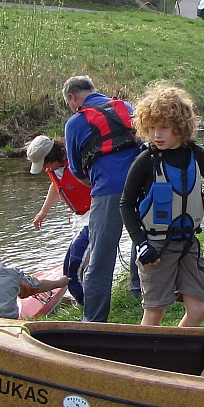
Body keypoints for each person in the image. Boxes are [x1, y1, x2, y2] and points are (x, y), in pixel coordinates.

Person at [120, 83, 204, 327]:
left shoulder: (195, 153)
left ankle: (176, 350)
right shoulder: (145, 161)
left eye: (164, 128)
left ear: (180, 128)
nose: (157, 134)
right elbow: (126, 204)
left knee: (199, 309)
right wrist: (141, 244)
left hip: (189, 243)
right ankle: (144, 360)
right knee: (155, 313)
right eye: (152, 128)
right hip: (155, 248)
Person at [62, 75, 141, 323]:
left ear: (72, 98)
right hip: (143, 183)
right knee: (141, 239)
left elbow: (75, 170)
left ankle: (94, 320)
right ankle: (139, 291)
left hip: (108, 189)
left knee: (99, 259)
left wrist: (93, 182)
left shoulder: (75, 123)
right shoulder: (125, 107)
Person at [26, 135, 91, 304]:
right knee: (70, 268)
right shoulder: (54, 169)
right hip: (78, 219)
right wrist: (43, 212)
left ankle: (90, 310)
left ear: (53, 156)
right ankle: (85, 304)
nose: (45, 168)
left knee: (75, 267)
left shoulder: (78, 162)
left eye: (46, 163)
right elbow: (55, 187)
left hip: (93, 216)